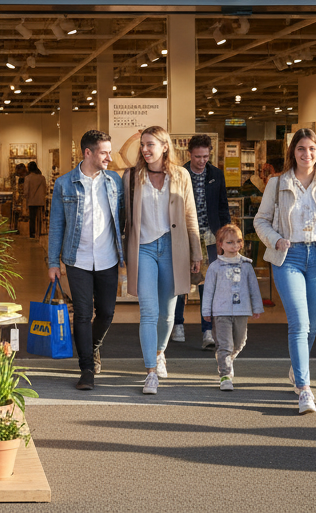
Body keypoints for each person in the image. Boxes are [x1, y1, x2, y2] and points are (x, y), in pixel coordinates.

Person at [253, 127, 316, 415]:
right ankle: (305, 390)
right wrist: (276, 239)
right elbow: (261, 221)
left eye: (312, 149)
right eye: (301, 149)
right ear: (292, 152)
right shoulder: (278, 183)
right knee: (299, 322)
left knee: (311, 324)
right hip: (289, 256)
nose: (307, 154)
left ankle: (298, 371)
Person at [122, 126, 204, 395]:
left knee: (168, 314)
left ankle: (159, 353)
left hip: (172, 249)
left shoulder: (180, 175)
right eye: (142, 144)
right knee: (148, 311)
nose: (145, 149)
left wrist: (196, 252)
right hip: (143, 248)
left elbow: (190, 215)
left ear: (165, 146)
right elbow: (125, 219)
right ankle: (150, 372)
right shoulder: (132, 176)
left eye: (150, 144)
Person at [48, 130, 124, 391]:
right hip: (76, 259)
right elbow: (56, 225)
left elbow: (122, 219)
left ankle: (92, 347)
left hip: (108, 258)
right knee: (82, 313)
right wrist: (52, 262)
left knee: (106, 312)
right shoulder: (64, 184)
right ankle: (87, 369)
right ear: (88, 152)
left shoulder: (114, 181)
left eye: (110, 152)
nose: (109, 157)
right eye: (104, 152)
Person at [177, 134, 231, 347]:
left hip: (210, 235)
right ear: (189, 154)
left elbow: (222, 205)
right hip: (184, 235)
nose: (202, 160)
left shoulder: (216, 174)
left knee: (208, 285)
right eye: (198, 156)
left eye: (205, 156)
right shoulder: (180, 174)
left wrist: (225, 235)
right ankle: (178, 324)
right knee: (181, 283)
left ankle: (207, 331)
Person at [201, 224, 263, 391]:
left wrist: (257, 307)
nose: (235, 246)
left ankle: (225, 359)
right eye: (230, 242)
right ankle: (226, 374)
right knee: (225, 345)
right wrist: (206, 311)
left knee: (239, 343)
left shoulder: (247, 266)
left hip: (242, 311)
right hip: (220, 312)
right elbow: (208, 291)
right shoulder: (215, 267)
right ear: (220, 244)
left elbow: (253, 288)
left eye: (238, 241)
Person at [24, 162, 48, 238]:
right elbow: (45, 189)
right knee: (40, 217)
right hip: (40, 200)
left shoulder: (28, 178)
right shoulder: (42, 178)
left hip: (32, 201)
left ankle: (32, 233)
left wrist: (26, 198)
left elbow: (26, 191)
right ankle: (40, 231)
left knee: (32, 218)